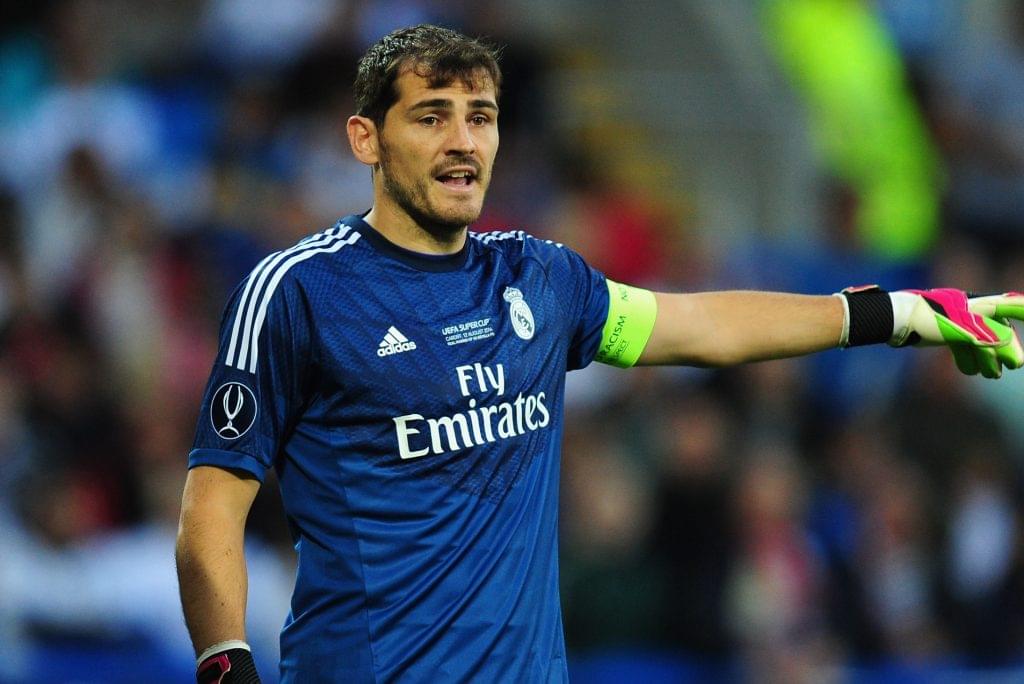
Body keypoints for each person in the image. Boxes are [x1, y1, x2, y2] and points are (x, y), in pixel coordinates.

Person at [175, 24, 1024, 683]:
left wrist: (896, 313)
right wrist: (224, 661)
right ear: (366, 139)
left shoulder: (540, 280)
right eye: (431, 117)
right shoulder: (297, 291)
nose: (463, 142)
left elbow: (702, 326)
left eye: (481, 118)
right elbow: (210, 512)